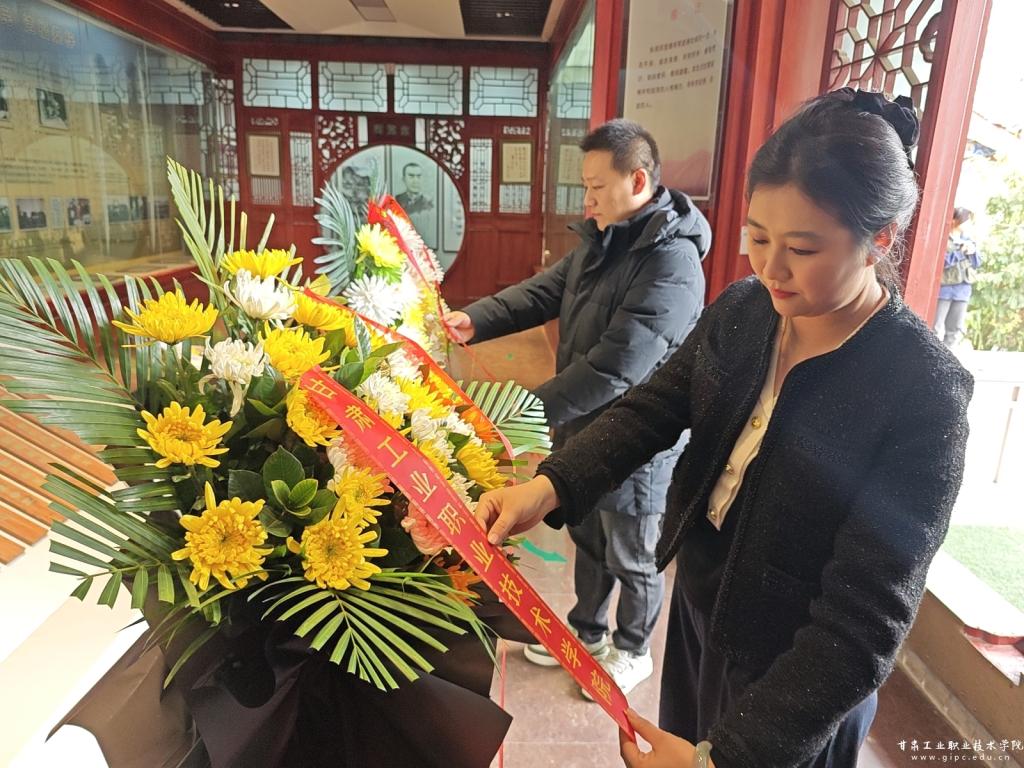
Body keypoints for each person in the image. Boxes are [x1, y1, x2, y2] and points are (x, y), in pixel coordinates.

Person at [473, 89, 973, 768]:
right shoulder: (744, 310)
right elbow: (652, 408)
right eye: (757, 237)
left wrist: (720, 762)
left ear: (878, 239)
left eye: (802, 248)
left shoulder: (922, 390)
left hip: (799, 673)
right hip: (701, 611)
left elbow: (863, 622)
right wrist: (550, 486)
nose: (770, 268)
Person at [446, 118, 710, 696]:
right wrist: (475, 318)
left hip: (639, 443)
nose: (586, 201)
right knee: (587, 536)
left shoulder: (672, 263)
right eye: (584, 187)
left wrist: (521, 410)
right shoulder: (605, 237)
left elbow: (616, 367)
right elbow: (545, 290)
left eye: (596, 187)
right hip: (586, 428)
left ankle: (633, 649)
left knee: (632, 553)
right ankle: (587, 632)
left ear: (637, 180)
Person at [934, 207, 981, 347]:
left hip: (963, 290)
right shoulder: (943, 239)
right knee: (934, 327)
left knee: (954, 329)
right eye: (966, 221)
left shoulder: (969, 240)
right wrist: (960, 252)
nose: (969, 225)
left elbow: (977, 263)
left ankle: (947, 357)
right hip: (944, 290)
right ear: (955, 220)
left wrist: (972, 252)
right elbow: (941, 263)